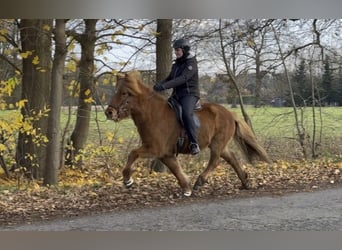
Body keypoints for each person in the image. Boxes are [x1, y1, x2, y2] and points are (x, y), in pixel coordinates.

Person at [153, 38, 200, 155]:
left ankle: (194, 143)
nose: (176, 52)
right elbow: (170, 78)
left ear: (184, 50)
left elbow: (183, 78)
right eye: (175, 50)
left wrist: (165, 87)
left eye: (178, 50)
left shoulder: (191, 63)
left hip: (190, 94)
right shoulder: (176, 65)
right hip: (177, 95)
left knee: (185, 113)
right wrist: (159, 84)